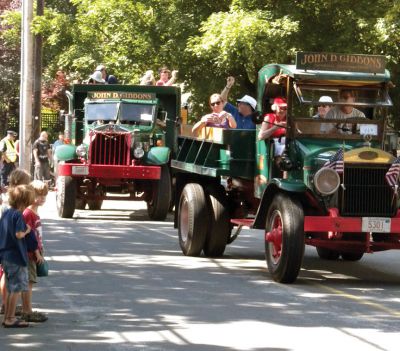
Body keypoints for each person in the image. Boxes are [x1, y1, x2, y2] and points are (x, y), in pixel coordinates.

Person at [0, 184, 35, 328]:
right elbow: (18, 234)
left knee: (9, 287)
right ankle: (10, 318)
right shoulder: (18, 215)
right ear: (24, 201)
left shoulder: (7, 213)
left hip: (5, 255)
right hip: (16, 256)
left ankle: (8, 316)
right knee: (16, 289)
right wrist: (27, 231)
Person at [21, 180, 48, 323]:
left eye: (44, 195)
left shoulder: (34, 212)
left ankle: (26, 308)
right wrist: (37, 253)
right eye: (38, 195)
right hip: (30, 254)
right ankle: (27, 310)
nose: (42, 198)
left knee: (29, 282)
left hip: (35, 252)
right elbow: (30, 236)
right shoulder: (28, 213)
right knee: (28, 282)